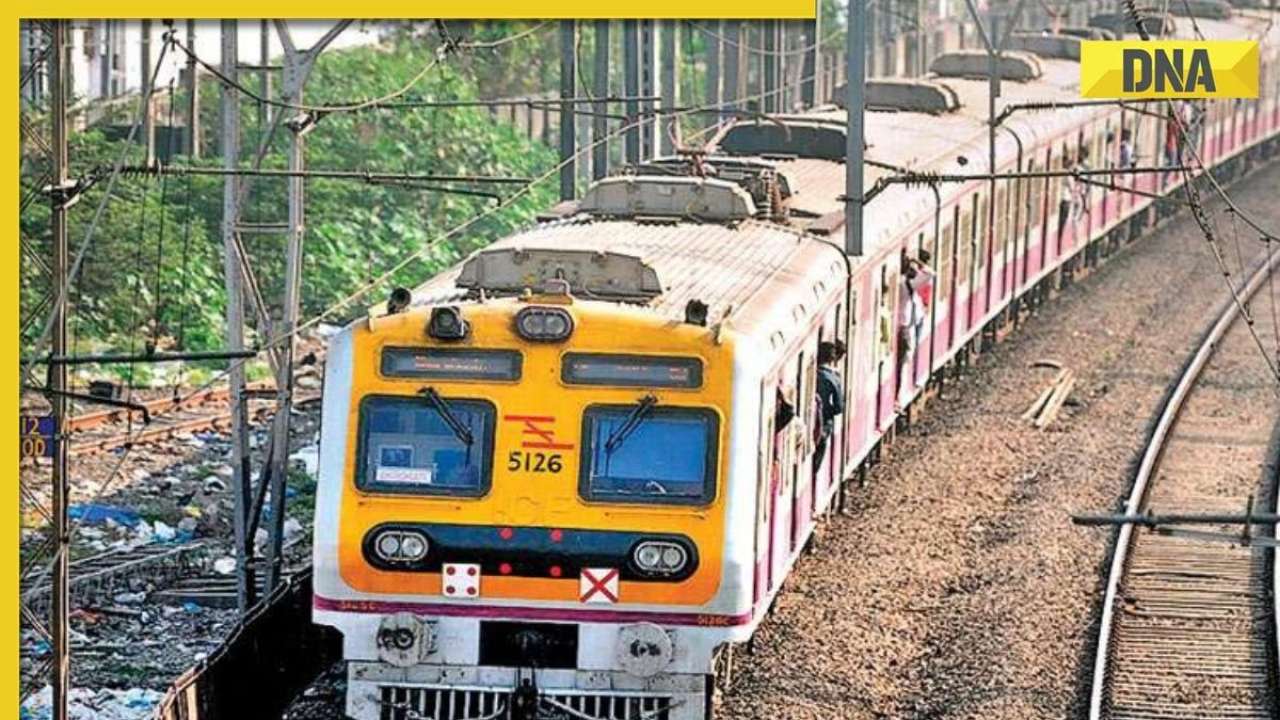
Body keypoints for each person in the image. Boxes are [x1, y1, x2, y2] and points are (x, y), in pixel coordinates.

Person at [813, 340, 846, 475]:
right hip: (824, 423)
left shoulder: (814, 374)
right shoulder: (833, 378)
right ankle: (814, 474)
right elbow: (839, 408)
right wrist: (827, 410)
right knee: (820, 449)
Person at [1057, 150, 1075, 244]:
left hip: (1060, 199)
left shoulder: (1059, 171)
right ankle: (1060, 238)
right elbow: (1072, 188)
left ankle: (1059, 237)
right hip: (1066, 199)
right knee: (1063, 220)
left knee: (1060, 221)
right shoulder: (1068, 175)